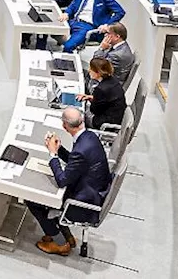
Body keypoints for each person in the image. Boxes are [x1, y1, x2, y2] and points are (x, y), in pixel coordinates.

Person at [25, 107, 112, 256]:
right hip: (93, 190)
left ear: (64, 126)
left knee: (32, 199)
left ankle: (59, 243)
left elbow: (62, 180)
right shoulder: (89, 136)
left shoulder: (81, 150)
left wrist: (53, 155)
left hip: (83, 201)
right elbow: (76, 162)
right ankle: (67, 236)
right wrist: (59, 149)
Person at [61, 0, 125, 52]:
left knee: (68, 46)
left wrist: (108, 25)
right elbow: (73, 6)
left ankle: (65, 63)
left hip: (86, 27)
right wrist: (66, 13)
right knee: (48, 28)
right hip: (73, 21)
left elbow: (120, 12)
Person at [80, 58, 126, 130]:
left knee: (77, 116)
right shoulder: (113, 80)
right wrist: (92, 98)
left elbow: (94, 110)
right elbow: (106, 100)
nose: (89, 71)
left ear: (98, 72)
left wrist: (93, 100)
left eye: (91, 69)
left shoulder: (100, 89)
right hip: (116, 118)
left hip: (103, 123)